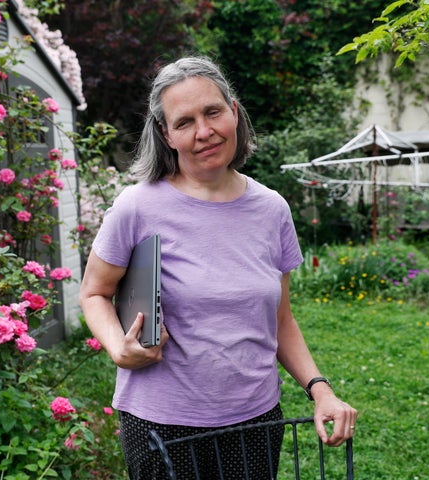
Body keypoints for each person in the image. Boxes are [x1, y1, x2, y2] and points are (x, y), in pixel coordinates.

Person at [79, 56, 357, 479]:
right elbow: (95, 292)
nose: (204, 132)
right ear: (165, 134)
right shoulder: (137, 206)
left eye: (212, 112)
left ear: (234, 111)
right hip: (161, 427)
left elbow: (280, 318)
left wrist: (321, 390)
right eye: (184, 121)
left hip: (256, 421)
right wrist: (119, 347)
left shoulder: (272, 210)